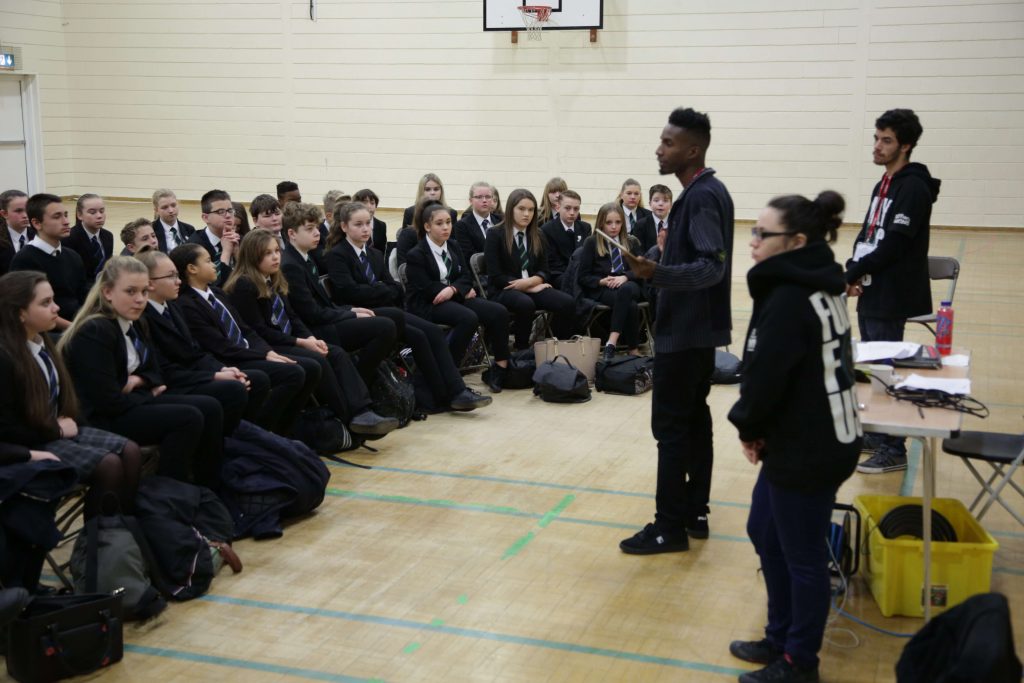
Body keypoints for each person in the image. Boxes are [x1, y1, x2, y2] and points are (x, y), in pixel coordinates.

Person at [727, 191, 861, 683]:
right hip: (807, 435)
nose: (753, 242)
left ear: (797, 241)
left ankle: (800, 662)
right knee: (765, 531)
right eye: (754, 231)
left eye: (763, 234)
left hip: (813, 445)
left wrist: (751, 428)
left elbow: (767, 378)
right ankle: (779, 636)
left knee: (802, 558)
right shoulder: (812, 280)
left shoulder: (789, 295)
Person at [619, 107, 734, 553]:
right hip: (697, 333)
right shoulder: (706, 192)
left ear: (692, 149)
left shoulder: (703, 196)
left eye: (667, 143)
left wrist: (657, 272)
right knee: (694, 421)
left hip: (685, 333)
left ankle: (669, 526)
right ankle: (694, 510)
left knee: (670, 429)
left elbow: (710, 268)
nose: (658, 148)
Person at [58, 257, 224, 488]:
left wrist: (138, 380)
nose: (139, 299)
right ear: (107, 292)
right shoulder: (95, 331)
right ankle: (169, 491)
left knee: (210, 406)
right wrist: (148, 392)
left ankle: (207, 483)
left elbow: (155, 371)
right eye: (130, 291)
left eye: (144, 292)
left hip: (130, 402)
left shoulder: (134, 320)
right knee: (188, 417)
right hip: (102, 419)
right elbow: (107, 402)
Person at [223, 228, 398, 436]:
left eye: (276, 251)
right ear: (252, 256)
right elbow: (258, 330)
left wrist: (311, 338)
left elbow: (293, 318)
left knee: (335, 352)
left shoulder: (274, 278)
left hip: (286, 338)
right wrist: (300, 343)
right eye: (268, 253)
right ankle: (347, 418)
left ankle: (361, 411)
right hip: (267, 346)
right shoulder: (244, 285)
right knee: (318, 360)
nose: (276, 257)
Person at [0, 270, 143, 516]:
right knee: (108, 465)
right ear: (19, 313)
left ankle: (122, 533)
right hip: (28, 441)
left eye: (53, 299)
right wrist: (55, 430)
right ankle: (95, 545)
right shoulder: (6, 358)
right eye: (45, 303)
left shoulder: (43, 343)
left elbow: (61, 401)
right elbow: (7, 427)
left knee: (131, 451)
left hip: (54, 429)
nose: (56, 308)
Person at [325, 201, 491, 412]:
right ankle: (445, 394)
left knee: (431, 332)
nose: (366, 228)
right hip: (361, 315)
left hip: (387, 311)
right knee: (421, 335)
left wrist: (378, 290)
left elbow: (394, 288)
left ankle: (453, 392)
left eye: (368, 223)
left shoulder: (374, 253)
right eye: (359, 224)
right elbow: (349, 292)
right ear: (344, 227)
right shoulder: (338, 255)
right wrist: (380, 290)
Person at [845, 108, 941, 474]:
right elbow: (869, 234)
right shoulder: (884, 183)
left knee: (885, 366)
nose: (877, 146)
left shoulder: (913, 187)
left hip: (893, 290)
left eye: (886, 141)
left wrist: (855, 270)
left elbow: (894, 246)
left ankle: (894, 447)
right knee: (872, 365)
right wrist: (853, 269)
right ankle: (880, 434)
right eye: (876, 138)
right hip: (872, 286)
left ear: (906, 145)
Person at [170, 243, 315, 436]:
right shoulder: (186, 304)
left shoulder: (217, 293)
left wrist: (268, 352)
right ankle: (264, 431)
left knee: (310, 367)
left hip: (248, 351)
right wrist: (262, 356)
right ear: (192, 269)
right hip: (231, 359)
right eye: (207, 261)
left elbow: (245, 330)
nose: (214, 265)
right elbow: (220, 346)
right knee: (293, 373)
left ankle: (286, 429)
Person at [137, 249, 271, 435]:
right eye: (171, 276)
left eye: (177, 275)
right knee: (231, 391)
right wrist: (214, 376)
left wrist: (222, 369)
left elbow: (196, 351)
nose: (178, 281)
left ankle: (244, 437)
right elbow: (165, 369)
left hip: (192, 373)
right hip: (174, 383)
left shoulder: (172, 307)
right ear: (150, 284)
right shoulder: (144, 318)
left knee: (255, 379)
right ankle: (230, 442)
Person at [280, 202, 397, 387]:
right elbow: (312, 314)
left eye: (317, 228)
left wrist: (351, 309)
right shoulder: (290, 265)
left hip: (326, 319)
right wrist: (351, 314)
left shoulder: (305, 257)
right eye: (309, 229)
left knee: (389, 319)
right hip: (317, 330)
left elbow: (324, 304)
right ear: (292, 234)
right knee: (385, 326)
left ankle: (363, 382)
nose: (317, 233)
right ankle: (359, 383)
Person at [405, 199, 511, 392]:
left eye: (448, 222)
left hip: (454, 298)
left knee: (498, 312)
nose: (446, 227)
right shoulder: (416, 254)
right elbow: (427, 289)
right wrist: (458, 289)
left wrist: (453, 289)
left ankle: (500, 368)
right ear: (427, 227)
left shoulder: (453, 246)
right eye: (439, 223)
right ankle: (449, 372)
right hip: (428, 305)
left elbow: (466, 277)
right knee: (467, 318)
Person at [484, 189, 577, 349]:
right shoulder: (495, 234)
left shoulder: (538, 234)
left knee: (567, 302)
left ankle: (562, 348)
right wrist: (529, 287)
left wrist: (533, 282)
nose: (527, 214)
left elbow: (545, 270)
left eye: (531, 210)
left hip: (533, 285)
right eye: (521, 209)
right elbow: (495, 276)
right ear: (510, 209)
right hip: (504, 289)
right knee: (525, 304)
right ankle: (521, 349)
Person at [9, 194, 89, 330]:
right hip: (47, 331)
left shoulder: (72, 256)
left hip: (76, 324)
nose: (66, 221)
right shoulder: (25, 259)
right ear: (36, 223)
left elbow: (83, 296)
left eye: (66, 215)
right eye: (57, 217)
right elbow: (30, 311)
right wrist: (76, 328)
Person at [577, 202, 644, 359]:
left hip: (629, 284)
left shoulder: (631, 242)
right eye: (609, 222)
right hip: (605, 288)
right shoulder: (592, 242)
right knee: (631, 305)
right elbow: (583, 277)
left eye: (618, 222)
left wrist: (625, 277)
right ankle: (633, 350)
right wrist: (602, 281)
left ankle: (611, 343)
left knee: (626, 289)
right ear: (601, 223)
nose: (614, 227)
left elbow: (641, 270)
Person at [539, 189, 591, 288]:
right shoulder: (547, 230)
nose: (572, 213)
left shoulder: (585, 228)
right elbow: (552, 263)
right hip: (559, 275)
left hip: (581, 273)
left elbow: (587, 257)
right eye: (567, 208)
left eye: (576, 209)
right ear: (558, 207)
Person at [188, 189, 240, 286]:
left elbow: (251, 279)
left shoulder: (240, 239)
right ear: (205, 218)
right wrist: (226, 252)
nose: (228, 215)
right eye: (221, 212)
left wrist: (237, 254)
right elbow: (215, 287)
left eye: (230, 210)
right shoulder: (194, 246)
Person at [62, 194, 113, 281]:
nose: (99, 216)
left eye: (102, 211)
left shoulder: (108, 236)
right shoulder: (69, 238)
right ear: (79, 215)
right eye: (92, 212)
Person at [453, 182, 499, 260]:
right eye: (479, 197)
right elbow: (469, 256)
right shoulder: (462, 225)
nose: (484, 200)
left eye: (488, 197)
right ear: (471, 201)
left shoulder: (500, 221)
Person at [631, 184, 673, 254]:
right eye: (656, 200)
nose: (660, 204)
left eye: (665, 201)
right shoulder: (640, 225)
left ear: (671, 205)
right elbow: (638, 252)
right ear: (650, 203)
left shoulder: (678, 224)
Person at [151, 188, 196, 253]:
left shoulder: (189, 229)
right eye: (165, 207)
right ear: (156, 210)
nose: (171, 210)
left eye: (173, 205)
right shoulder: (151, 230)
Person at [0, 190, 32, 276]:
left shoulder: (40, 235)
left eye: (27, 209)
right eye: (18, 211)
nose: (25, 215)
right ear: (4, 214)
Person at [353, 189, 388, 253]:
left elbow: (382, 250)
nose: (369, 206)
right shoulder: (351, 224)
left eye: (372, 203)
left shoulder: (381, 225)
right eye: (365, 202)